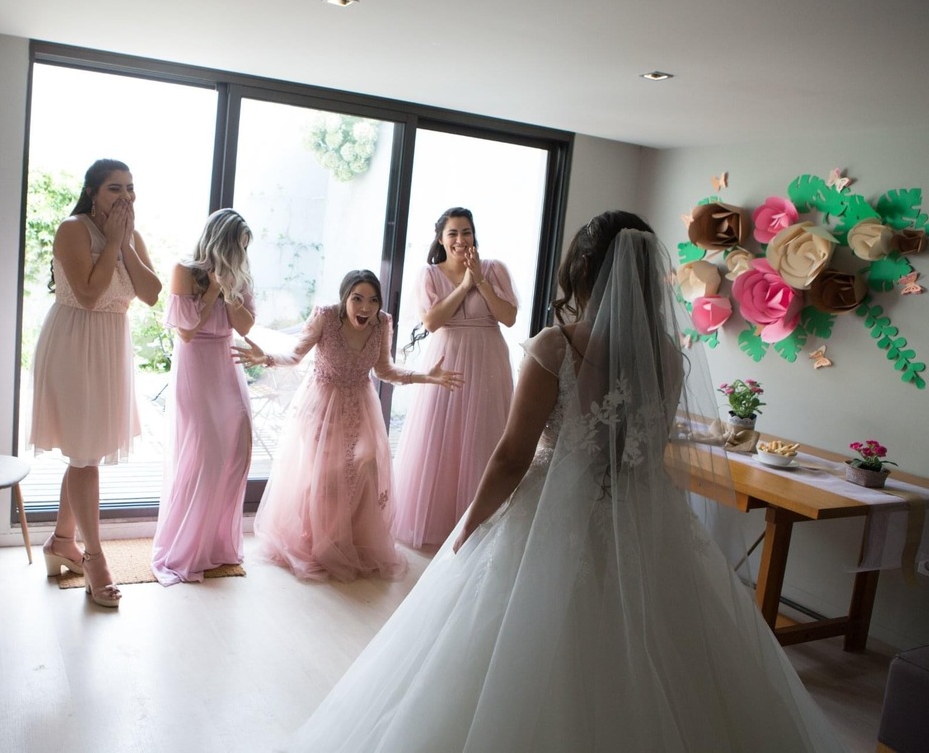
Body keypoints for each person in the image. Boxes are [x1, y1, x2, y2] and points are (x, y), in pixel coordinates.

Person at [287, 212, 848, 752]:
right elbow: (648, 450)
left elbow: (512, 455)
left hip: (552, 513)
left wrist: (471, 524)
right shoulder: (667, 356)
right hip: (642, 514)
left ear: (581, 270)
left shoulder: (557, 346)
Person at [231, 270, 463, 583]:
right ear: (345, 298)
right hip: (322, 406)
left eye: (373, 300)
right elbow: (296, 354)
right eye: (357, 299)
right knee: (326, 475)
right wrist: (267, 358)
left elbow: (384, 370)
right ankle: (320, 542)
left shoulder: (382, 323)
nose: (365, 307)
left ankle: (351, 540)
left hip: (361, 406)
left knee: (366, 463)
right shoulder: (326, 317)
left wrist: (426, 377)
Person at [29, 158, 162, 609]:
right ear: (92, 193)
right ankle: (95, 559)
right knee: (85, 456)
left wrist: (125, 245)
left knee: (85, 452)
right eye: (114, 189)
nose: (125, 197)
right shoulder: (73, 229)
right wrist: (111, 246)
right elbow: (87, 295)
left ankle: (61, 541)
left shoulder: (131, 237)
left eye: (130, 188)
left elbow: (151, 293)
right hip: (74, 345)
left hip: (109, 349)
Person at [390, 207, 518, 548]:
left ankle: (479, 525)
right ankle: (440, 524)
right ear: (441, 239)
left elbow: (508, 318)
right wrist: (463, 285)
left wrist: (481, 281)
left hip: (489, 361)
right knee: (441, 435)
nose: (461, 239)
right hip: (447, 362)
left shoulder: (494, 269)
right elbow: (432, 322)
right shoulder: (429, 275)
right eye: (453, 233)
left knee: (483, 435)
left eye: (466, 232)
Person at [151, 209, 256, 585]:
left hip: (227, 363)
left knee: (238, 449)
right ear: (220, 242)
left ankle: (217, 543)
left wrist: (231, 291)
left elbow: (245, 326)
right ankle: (187, 546)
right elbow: (186, 331)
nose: (243, 253)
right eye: (239, 245)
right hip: (196, 365)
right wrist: (212, 290)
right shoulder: (184, 269)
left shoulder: (241, 275)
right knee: (204, 454)